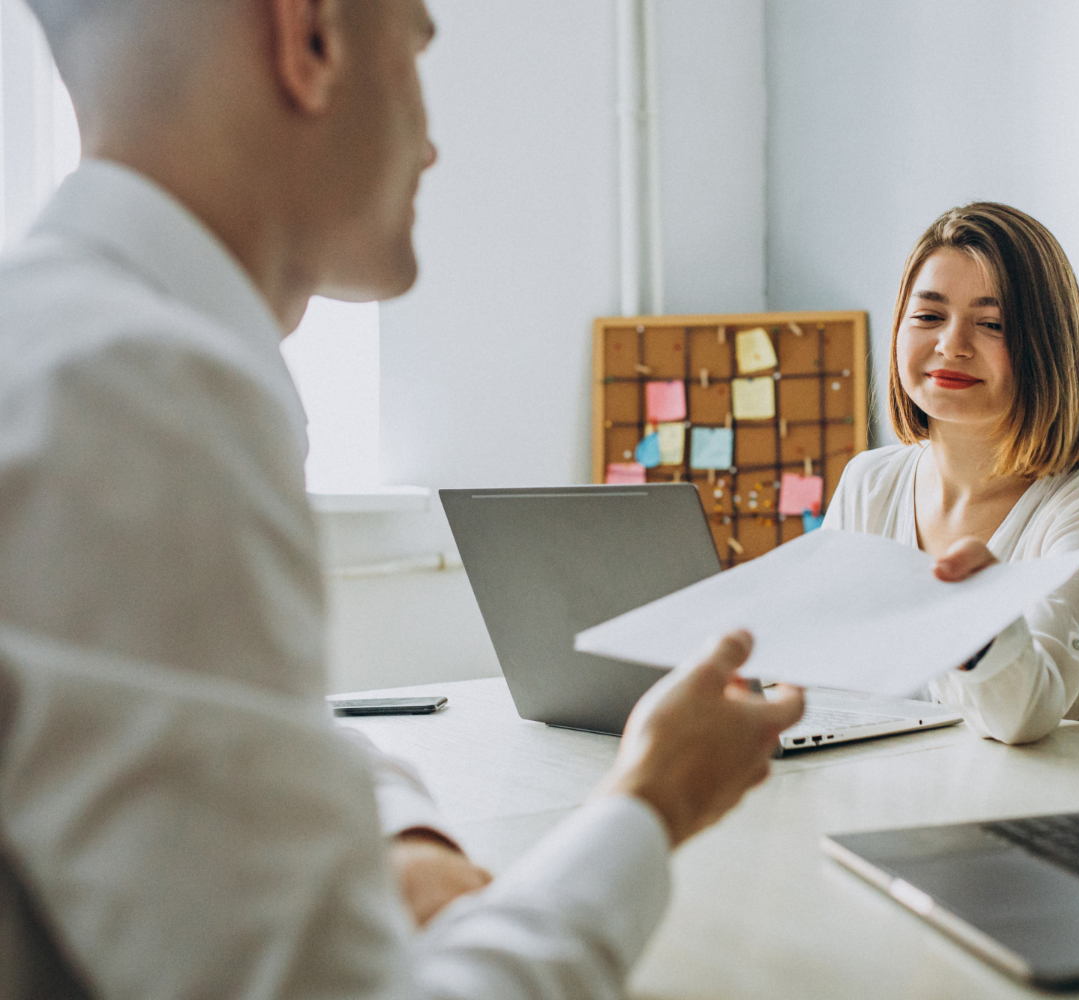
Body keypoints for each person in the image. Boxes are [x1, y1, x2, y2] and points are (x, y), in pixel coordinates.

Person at [0, 1, 804, 998]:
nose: (430, 144)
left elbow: (243, 734)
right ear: (313, 41)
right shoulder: (139, 394)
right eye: (415, 50)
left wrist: (405, 839)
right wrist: (652, 800)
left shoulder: (59, 353)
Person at [822, 202, 1079, 744]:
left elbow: (1023, 717)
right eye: (928, 316)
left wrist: (976, 612)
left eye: (992, 324)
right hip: (909, 789)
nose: (951, 345)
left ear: (1048, 346)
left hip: (1063, 809)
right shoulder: (868, 483)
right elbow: (826, 669)